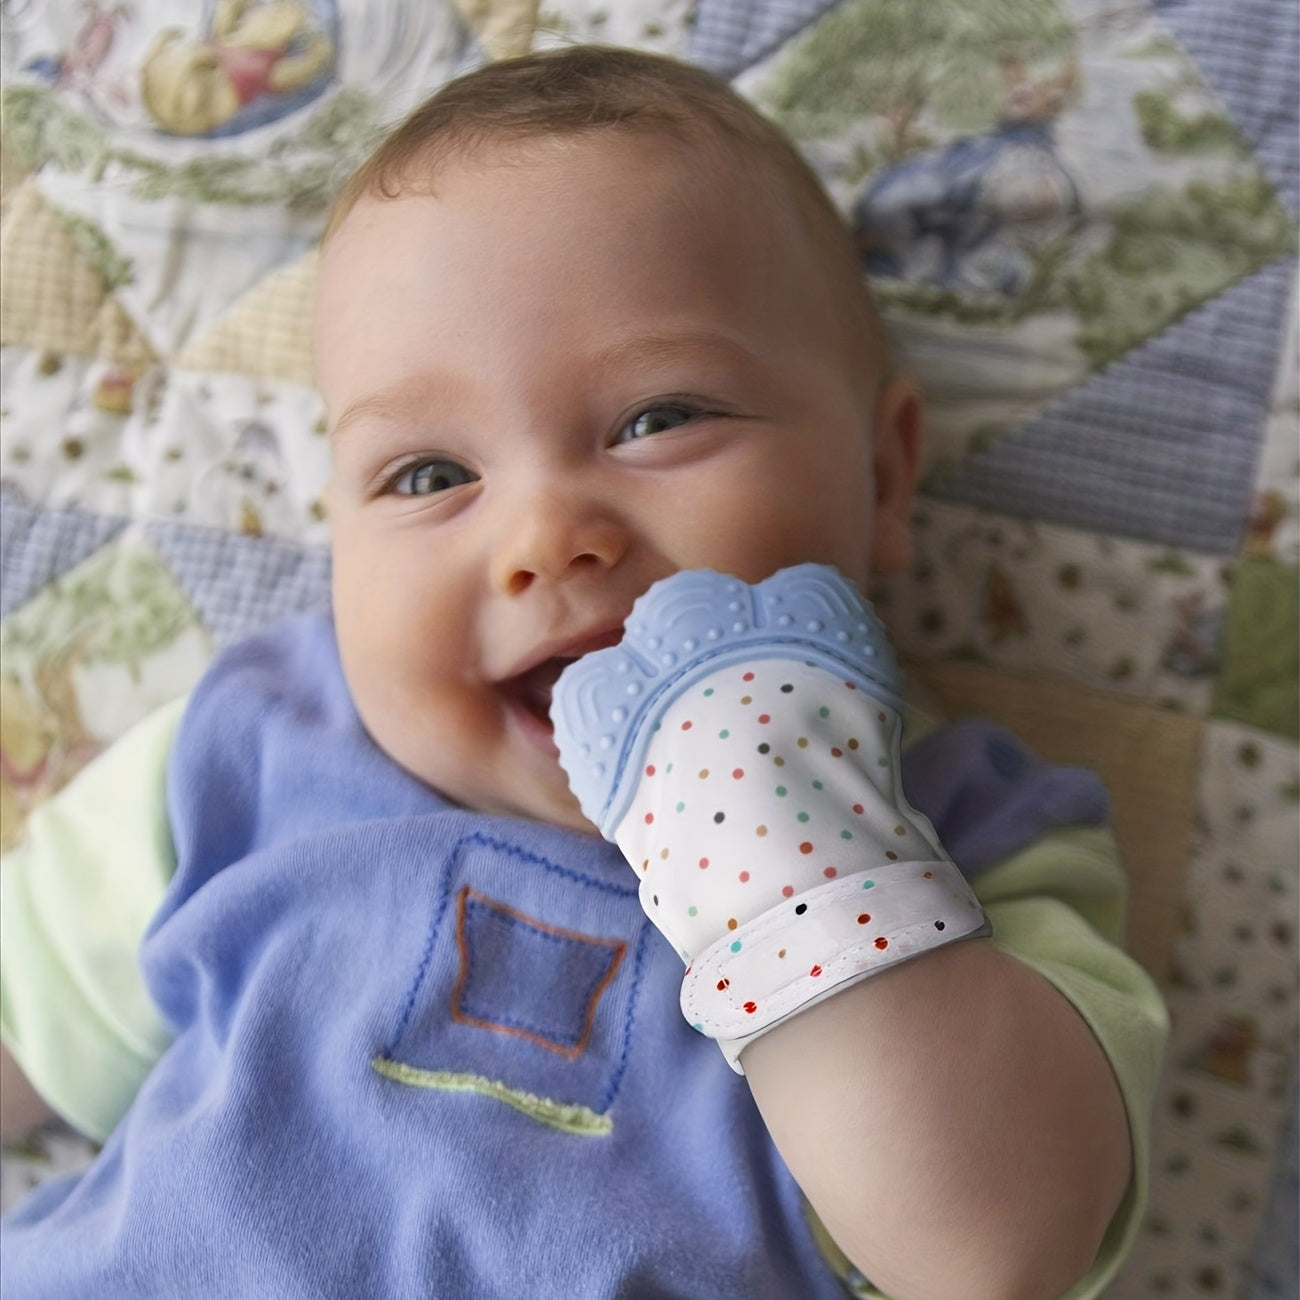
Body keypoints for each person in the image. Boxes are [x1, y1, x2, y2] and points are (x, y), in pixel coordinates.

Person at [0, 45, 1167, 1300]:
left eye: (658, 419)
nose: (547, 536)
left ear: (882, 476)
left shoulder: (980, 838)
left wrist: (783, 835)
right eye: (429, 476)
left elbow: (991, 1255)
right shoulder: (254, 744)